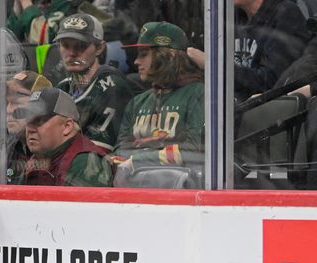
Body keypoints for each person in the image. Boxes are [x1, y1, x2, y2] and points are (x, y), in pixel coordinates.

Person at [111, 22, 205, 182]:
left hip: (182, 191)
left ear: (169, 54)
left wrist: (137, 160)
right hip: (135, 188)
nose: (136, 62)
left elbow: (194, 151)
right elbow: (120, 152)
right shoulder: (137, 102)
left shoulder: (199, 93)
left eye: (144, 54)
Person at [53, 14, 134, 151]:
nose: (72, 53)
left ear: (99, 48)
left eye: (81, 46)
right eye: (65, 45)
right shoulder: (62, 88)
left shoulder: (112, 87)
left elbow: (97, 153)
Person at [16, 87, 112, 186]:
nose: (30, 129)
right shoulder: (38, 159)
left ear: (67, 126)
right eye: (28, 121)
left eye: (39, 120)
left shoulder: (85, 161)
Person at [5, 70, 53, 183]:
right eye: (8, 102)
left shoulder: (52, 150)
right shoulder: (10, 148)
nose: (9, 110)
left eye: (17, 102)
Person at [7, 0, 73, 44]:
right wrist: (17, 13)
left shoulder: (70, 5)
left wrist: (27, 6)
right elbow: (8, 41)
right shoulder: (38, 2)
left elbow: (45, 38)